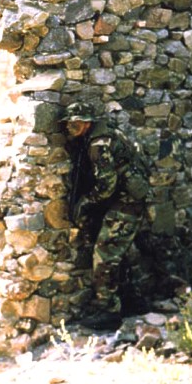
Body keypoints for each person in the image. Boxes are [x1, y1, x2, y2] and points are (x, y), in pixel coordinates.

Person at [63, 101, 151, 316]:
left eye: (74, 124)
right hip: (127, 197)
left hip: (127, 202)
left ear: (86, 123)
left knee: (105, 254)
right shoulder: (105, 134)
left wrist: (85, 202)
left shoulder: (98, 144)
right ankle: (131, 300)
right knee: (121, 253)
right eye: (68, 124)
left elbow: (106, 186)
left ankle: (108, 309)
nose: (69, 128)